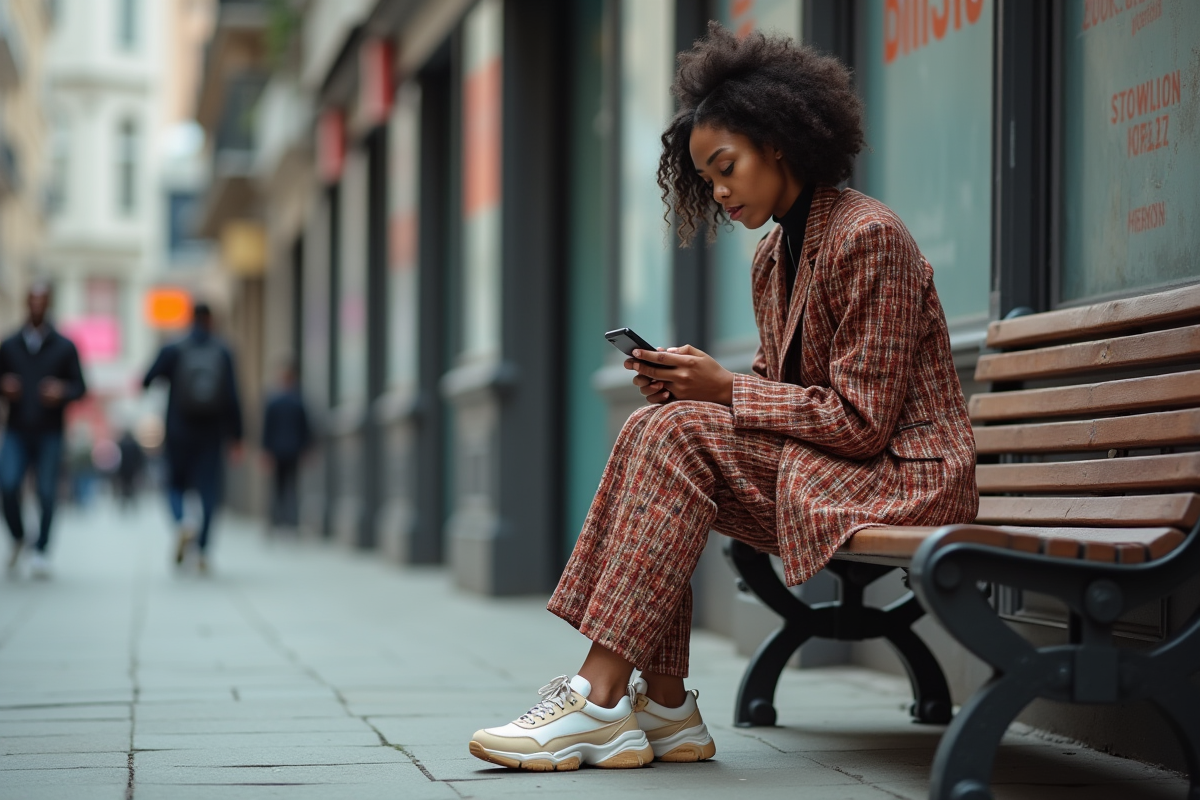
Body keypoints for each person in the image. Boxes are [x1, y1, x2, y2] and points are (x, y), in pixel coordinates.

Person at [469, 24, 979, 771]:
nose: (717, 189)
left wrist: (724, 391)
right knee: (665, 429)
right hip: (836, 472)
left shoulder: (871, 238)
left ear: (778, 142)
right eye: (705, 176)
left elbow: (863, 423)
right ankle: (669, 706)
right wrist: (694, 389)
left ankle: (601, 697)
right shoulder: (776, 254)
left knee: (675, 437)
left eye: (725, 166)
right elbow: (787, 396)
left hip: (907, 479)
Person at [143, 302, 243, 573]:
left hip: (178, 431)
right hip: (212, 433)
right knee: (209, 490)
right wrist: (237, 436)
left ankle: (182, 523)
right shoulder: (223, 350)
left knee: (174, 485)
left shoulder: (174, 348)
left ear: (190, 319)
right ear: (211, 320)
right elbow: (234, 397)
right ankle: (202, 551)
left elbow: (147, 379)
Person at [0, 281, 86, 578]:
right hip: (16, 430)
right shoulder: (9, 345)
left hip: (50, 431)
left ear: (49, 304)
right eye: (32, 300)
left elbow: (80, 388)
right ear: (26, 303)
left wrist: (62, 391)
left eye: (42, 301)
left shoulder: (64, 346)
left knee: (47, 492)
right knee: (8, 485)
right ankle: (19, 536)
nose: (37, 306)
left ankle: (42, 550)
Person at [260, 361, 311, 533]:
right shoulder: (298, 401)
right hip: (293, 450)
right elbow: (305, 429)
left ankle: (276, 522)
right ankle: (290, 523)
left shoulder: (274, 402)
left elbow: (267, 429)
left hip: (277, 450)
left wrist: (266, 451)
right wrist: (307, 449)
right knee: (291, 486)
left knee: (278, 487)